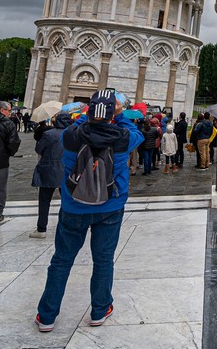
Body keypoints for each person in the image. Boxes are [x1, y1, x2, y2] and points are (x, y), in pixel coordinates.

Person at [34, 90, 142, 332]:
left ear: (90, 110)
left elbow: (78, 125)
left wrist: (86, 114)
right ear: (112, 111)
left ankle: (47, 316)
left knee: (61, 261)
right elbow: (136, 134)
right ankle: (100, 309)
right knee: (103, 260)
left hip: (74, 206)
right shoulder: (123, 136)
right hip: (110, 207)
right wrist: (119, 113)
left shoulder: (71, 137)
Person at [31, 111, 72, 238]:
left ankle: (41, 229)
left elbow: (38, 150)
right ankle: (66, 227)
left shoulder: (48, 134)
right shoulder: (73, 134)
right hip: (66, 170)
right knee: (67, 201)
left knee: (44, 200)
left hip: (48, 169)